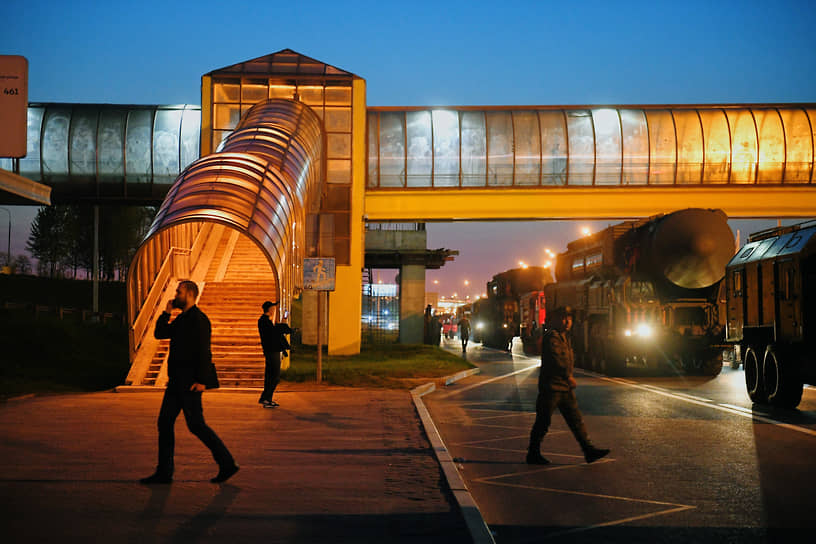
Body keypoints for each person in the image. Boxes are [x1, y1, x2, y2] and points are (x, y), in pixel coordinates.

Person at [140, 280, 239, 485]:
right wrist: (166, 312)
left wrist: (202, 380)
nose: (176, 294)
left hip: (190, 383)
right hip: (176, 382)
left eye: (179, 291)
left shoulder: (199, 320)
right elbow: (160, 333)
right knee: (165, 423)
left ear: (190, 294)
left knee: (196, 425)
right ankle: (164, 472)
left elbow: (204, 351)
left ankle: (227, 463)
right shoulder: (181, 319)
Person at [526, 306, 610, 465]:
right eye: (564, 318)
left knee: (576, 420)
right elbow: (557, 360)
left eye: (569, 319)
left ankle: (588, 450)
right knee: (543, 421)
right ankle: (533, 453)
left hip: (564, 388)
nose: (567, 322)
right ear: (556, 320)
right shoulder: (552, 337)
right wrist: (568, 376)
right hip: (552, 387)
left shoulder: (564, 337)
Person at [258, 300, 293, 408]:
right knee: (274, 376)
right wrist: (282, 324)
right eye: (273, 308)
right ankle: (266, 398)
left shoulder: (266, 321)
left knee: (271, 376)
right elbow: (273, 333)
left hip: (272, 351)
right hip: (271, 351)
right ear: (269, 309)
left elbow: (274, 331)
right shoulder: (264, 321)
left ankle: (267, 398)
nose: (274, 310)